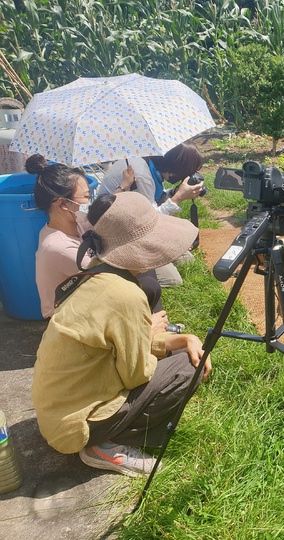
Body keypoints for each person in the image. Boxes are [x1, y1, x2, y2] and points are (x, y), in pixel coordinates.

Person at [32, 191, 211, 477]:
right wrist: (153, 338)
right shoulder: (126, 294)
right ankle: (106, 445)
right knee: (188, 367)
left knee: (180, 350)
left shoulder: (96, 272)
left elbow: (120, 345)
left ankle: (109, 434)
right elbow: (136, 374)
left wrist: (182, 339)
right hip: (78, 427)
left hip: (58, 413)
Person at [28, 154, 163, 319]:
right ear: (63, 204)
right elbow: (110, 280)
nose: (89, 202)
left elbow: (104, 215)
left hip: (84, 297)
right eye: (86, 197)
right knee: (146, 283)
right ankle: (152, 328)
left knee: (145, 272)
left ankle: (152, 325)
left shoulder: (73, 224)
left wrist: (123, 186)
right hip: (66, 318)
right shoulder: (59, 247)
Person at [98, 142, 205, 287]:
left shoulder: (148, 166)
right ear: (177, 168)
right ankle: (124, 276)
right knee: (172, 280)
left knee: (187, 260)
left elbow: (152, 200)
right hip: (121, 236)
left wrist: (173, 192)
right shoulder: (140, 175)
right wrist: (177, 198)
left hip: (134, 225)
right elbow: (149, 221)